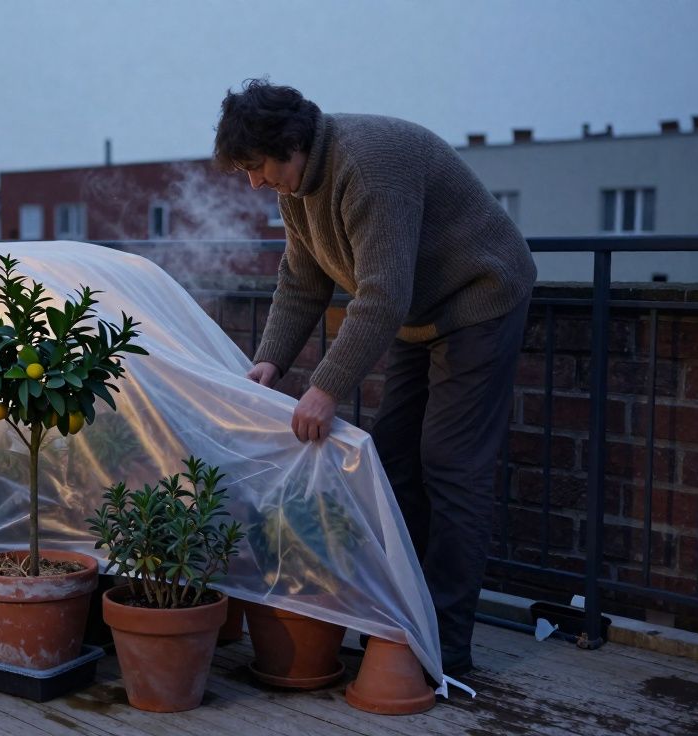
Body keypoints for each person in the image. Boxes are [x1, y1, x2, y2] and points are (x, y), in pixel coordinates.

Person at [214, 79, 536, 677]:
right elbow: (302, 280)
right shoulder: (298, 185)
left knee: (452, 465)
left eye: (257, 167)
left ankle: (445, 648)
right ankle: (402, 616)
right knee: (392, 459)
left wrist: (325, 386)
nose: (254, 181)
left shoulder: (368, 164)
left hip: (478, 298)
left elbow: (382, 293)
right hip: (421, 313)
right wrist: (271, 362)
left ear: (290, 144)